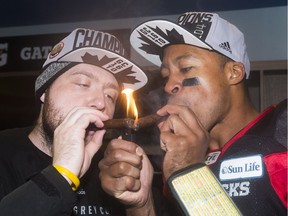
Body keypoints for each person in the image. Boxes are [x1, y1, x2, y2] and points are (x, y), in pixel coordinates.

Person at [98, 12, 287, 215]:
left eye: (186, 68)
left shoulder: (282, 133)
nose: (169, 86)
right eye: (165, 75)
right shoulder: (182, 153)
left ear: (234, 72)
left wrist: (188, 175)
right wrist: (140, 205)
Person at [0, 27, 152, 215]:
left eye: (110, 95)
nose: (100, 103)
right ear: (45, 91)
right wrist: (61, 175)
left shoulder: (112, 170)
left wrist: (140, 206)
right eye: (82, 84)